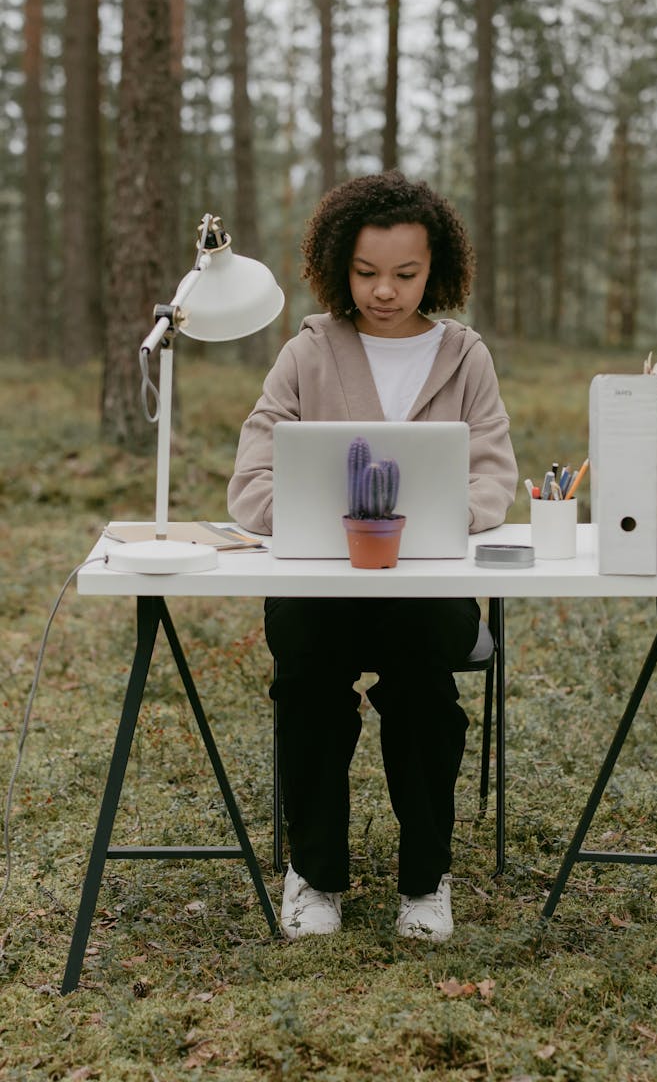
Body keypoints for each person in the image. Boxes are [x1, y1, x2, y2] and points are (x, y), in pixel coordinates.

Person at [228, 170, 517, 942]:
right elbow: (250, 480)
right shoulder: (307, 353)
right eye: (365, 273)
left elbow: (494, 477)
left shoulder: (465, 357)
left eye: (405, 274)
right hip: (322, 587)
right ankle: (315, 876)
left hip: (425, 590)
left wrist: (437, 517)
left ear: (438, 270)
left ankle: (426, 882)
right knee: (309, 688)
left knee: (426, 698)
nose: (384, 291)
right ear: (336, 264)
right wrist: (325, 516)